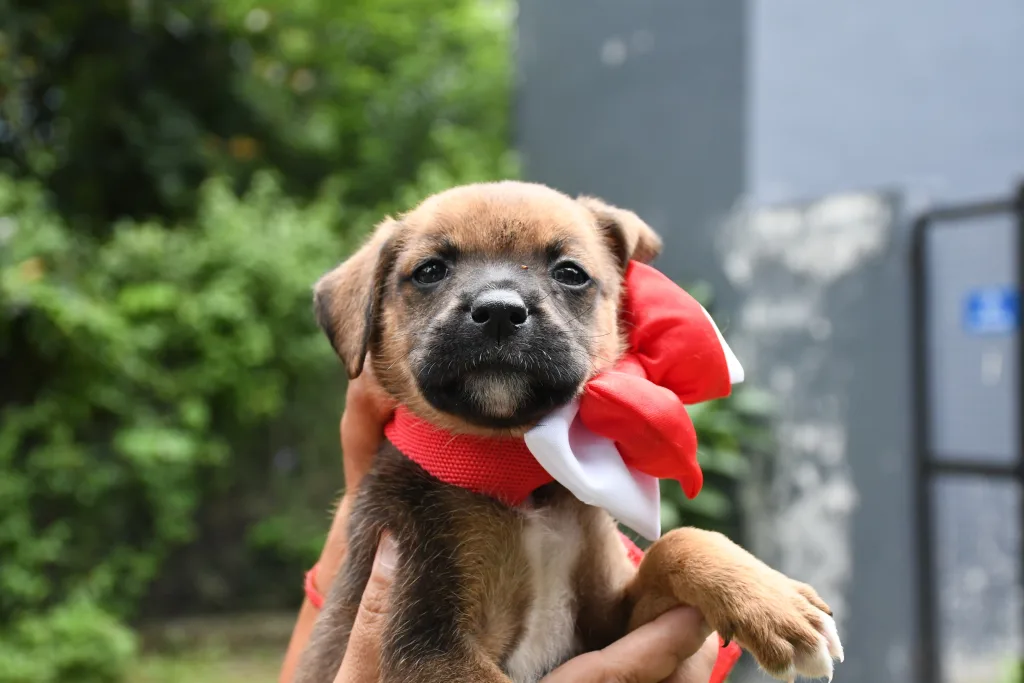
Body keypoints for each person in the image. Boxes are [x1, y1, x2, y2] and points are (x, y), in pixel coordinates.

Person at [279, 368, 723, 683]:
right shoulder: (412, 485)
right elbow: (426, 658)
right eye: (432, 271)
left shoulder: (575, 485)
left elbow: (620, 621)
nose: (500, 301)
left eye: (568, 274)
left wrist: (699, 571)